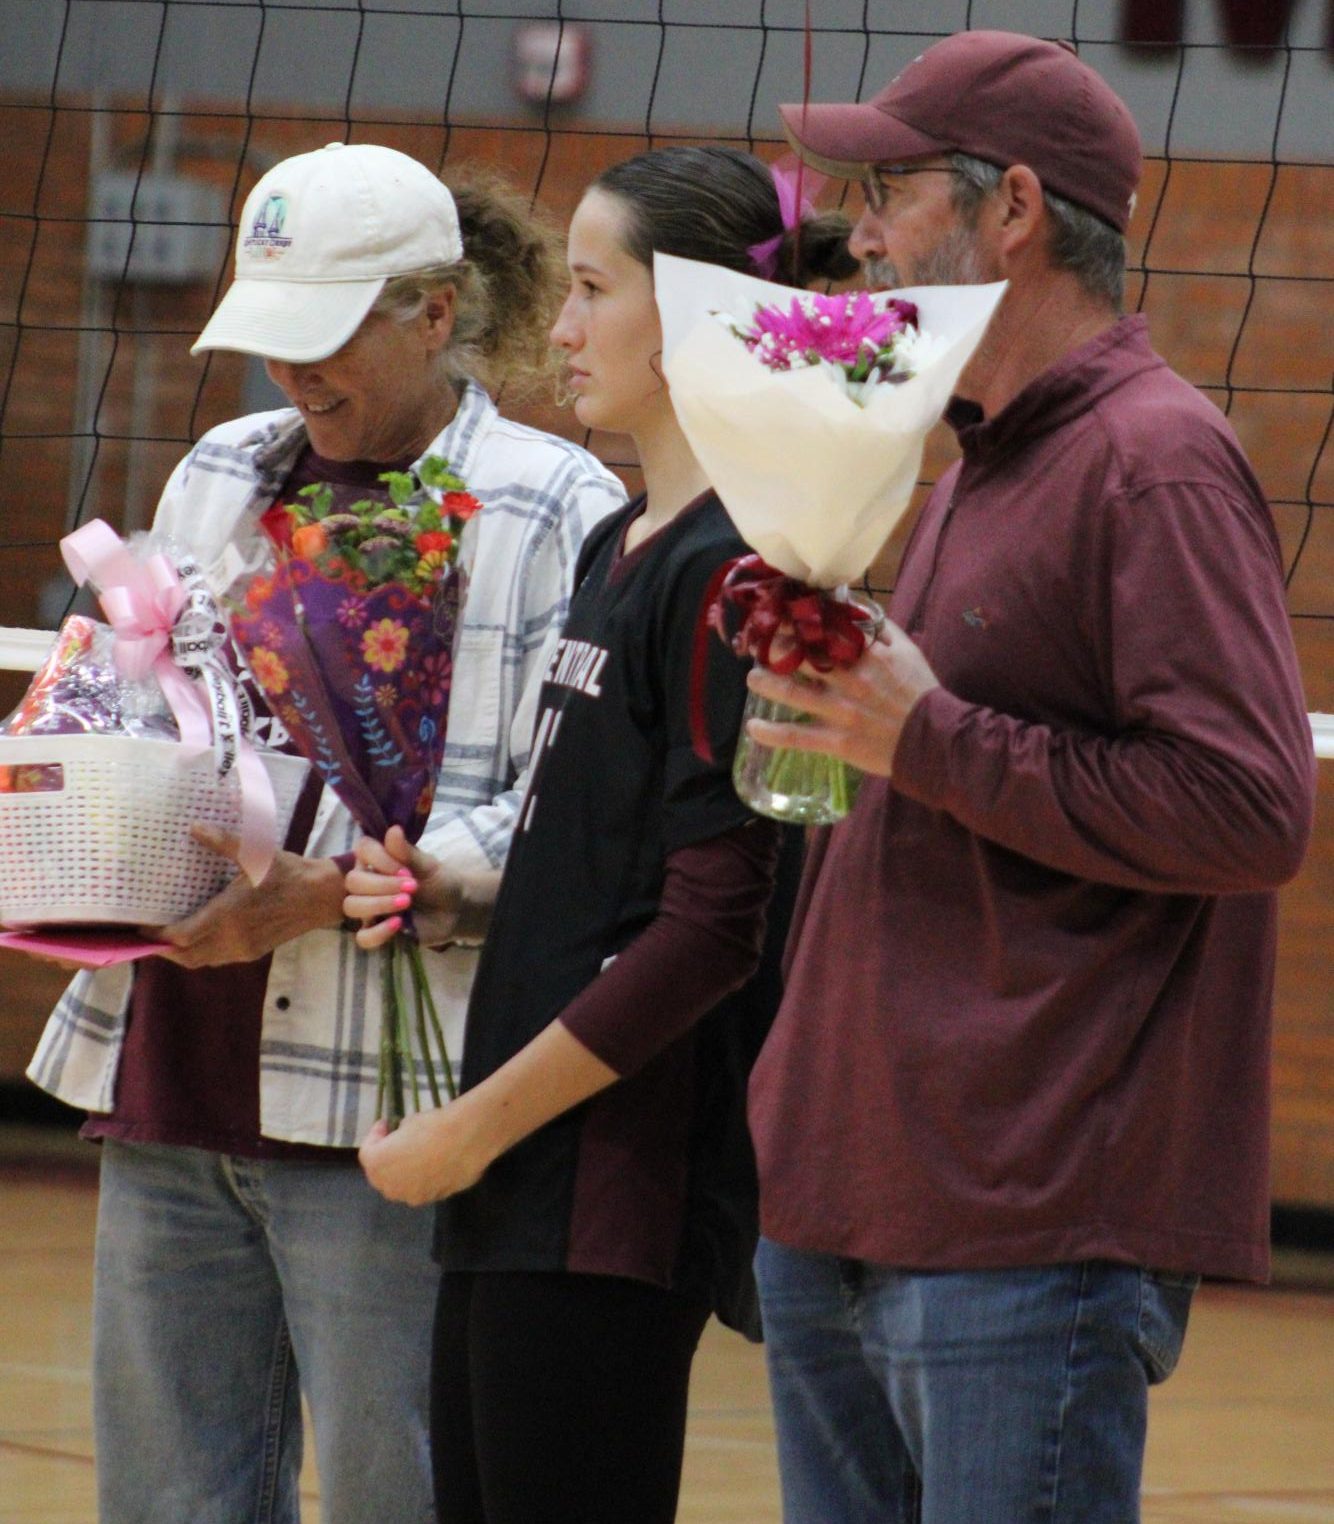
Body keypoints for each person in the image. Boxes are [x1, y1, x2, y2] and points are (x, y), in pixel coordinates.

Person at [737, 30, 1318, 1524]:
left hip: (1024, 1214)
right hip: (848, 1193)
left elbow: (1250, 812)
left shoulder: (1154, 460)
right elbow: (941, 762)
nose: (852, 230)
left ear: (1008, 208)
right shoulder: (969, 460)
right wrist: (842, 724)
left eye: (886, 189)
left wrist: (920, 736)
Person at [27, 141, 625, 1524]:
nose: (294, 375)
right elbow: (161, 715)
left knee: (390, 1497)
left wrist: (325, 893)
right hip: (173, 1082)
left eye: (328, 336)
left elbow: (565, 808)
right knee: (165, 1500)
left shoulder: (559, 507)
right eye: (273, 338)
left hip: (384, 1107)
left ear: (433, 309)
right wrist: (83, 810)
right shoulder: (222, 471)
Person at [344, 145, 855, 1524]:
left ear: (691, 315)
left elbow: (711, 929)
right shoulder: (622, 540)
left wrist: (466, 1131)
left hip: (607, 1194)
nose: (556, 328)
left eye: (586, 288)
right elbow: (606, 875)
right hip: (522, 1183)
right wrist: (453, 896)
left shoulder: (733, 568)